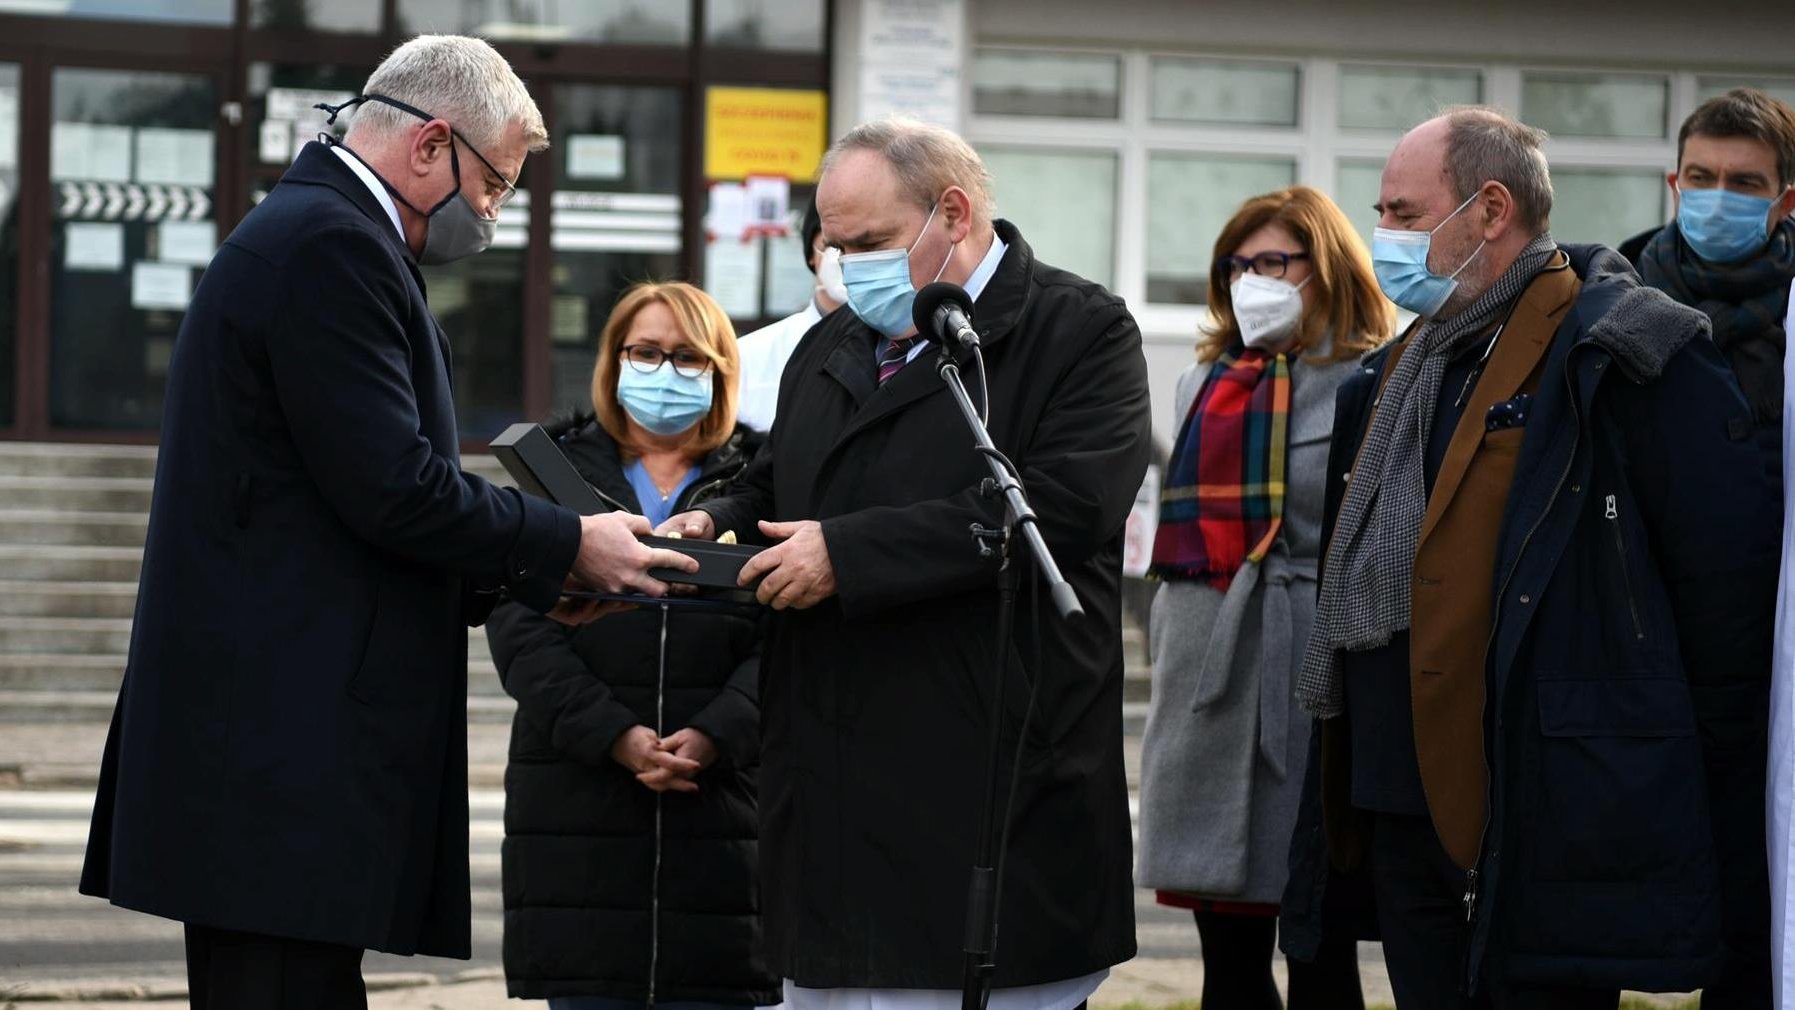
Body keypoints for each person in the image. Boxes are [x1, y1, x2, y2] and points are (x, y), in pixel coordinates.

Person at [78, 35, 694, 1009]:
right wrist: (569, 540)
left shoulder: (318, 233)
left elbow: (333, 513)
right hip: (282, 757)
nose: (493, 214)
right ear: (431, 145)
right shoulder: (332, 245)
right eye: (495, 184)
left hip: (278, 750)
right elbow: (393, 486)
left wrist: (535, 579)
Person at [1281, 106, 1779, 1007]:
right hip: (1398, 802)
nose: (1380, 237)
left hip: (1544, 807)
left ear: (1490, 209)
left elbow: (1726, 600)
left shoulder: (1626, 355)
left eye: (1401, 212)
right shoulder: (1396, 371)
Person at [658, 116, 1149, 1003]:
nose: (850, 270)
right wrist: (714, 519)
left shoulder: (1079, 331)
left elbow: (1064, 510)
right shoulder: (833, 343)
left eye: (872, 243)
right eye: (836, 247)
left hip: (986, 795)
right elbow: (776, 478)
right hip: (830, 800)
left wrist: (847, 554)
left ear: (952, 213)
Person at [486, 281, 778, 1009]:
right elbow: (519, 627)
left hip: (726, 815)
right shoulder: (547, 472)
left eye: (685, 356)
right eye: (643, 352)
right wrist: (613, 734)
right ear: (613, 360)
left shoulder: (766, 480)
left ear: (718, 370)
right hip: (578, 810)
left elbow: (791, 636)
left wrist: (717, 733)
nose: (662, 370)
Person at [1136, 185, 1385, 1010]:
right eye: (1237, 265)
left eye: (1272, 261)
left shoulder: (1374, 378)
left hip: (1311, 671)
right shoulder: (1205, 377)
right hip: (1206, 670)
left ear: (1325, 267)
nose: (1251, 280)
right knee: (1228, 962)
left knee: (1319, 953)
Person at [1629, 87, 1795, 503]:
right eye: (1701, 178)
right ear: (1676, 186)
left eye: (1744, 182)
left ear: (1786, 201)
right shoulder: (1618, 292)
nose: (1719, 198)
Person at [735, 200, 845, 432]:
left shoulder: (901, 354)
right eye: (834, 245)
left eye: (867, 245)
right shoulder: (749, 357)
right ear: (811, 255)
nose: (848, 258)